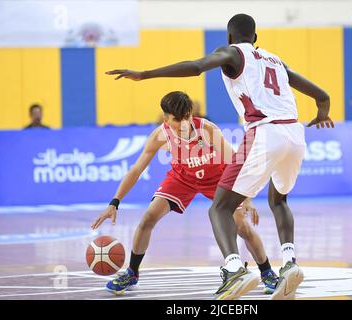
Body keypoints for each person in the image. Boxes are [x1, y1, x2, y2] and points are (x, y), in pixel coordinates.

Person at [105, 13, 334, 300]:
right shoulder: (276, 61)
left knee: (220, 210)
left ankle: (237, 268)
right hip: (295, 133)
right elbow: (322, 96)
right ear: (256, 38)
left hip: (264, 132)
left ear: (228, 38)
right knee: (279, 200)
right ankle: (290, 262)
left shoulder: (231, 54)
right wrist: (322, 115)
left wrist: (145, 74)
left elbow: (196, 67)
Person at [91, 91, 278, 295]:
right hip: (183, 178)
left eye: (185, 118)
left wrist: (247, 198)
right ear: (166, 118)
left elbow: (235, 163)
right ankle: (132, 272)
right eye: (176, 120)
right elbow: (136, 169)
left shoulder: (207, 130)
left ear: (191, 113)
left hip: (218, 178)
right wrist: (114, 202)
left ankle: (267, 272)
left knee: (242, 225)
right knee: (148, 218)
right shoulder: (160, 135)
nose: (182, 124)